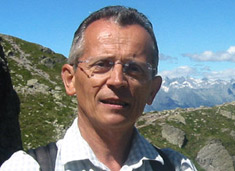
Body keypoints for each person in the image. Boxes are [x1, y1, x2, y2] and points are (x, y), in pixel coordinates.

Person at [1, 6, 196, 171]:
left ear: (153, 90)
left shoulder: (179, 167)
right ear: (70, 80)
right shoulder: (26, 167)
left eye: (134, 69)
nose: (117, 80)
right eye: (102, 64)